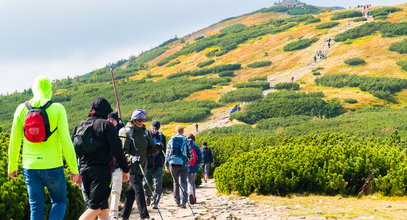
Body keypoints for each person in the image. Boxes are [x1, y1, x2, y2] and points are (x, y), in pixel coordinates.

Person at [7, 76, 80, 220]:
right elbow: (66, 140)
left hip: (30, 166)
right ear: (50, 90)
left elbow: (14, 140)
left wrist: (12, 166)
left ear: (34, 89)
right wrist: (74, 169)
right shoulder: (58, 108)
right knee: (59, 202)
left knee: (36, 207)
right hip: (53, 165)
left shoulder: (21, 109)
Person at [74, 98, 130, 220]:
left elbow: (74, 150)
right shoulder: (106, 125)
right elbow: (117, 150)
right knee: (95, 207)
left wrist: (76, 171)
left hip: (84, 171)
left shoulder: (80, 125)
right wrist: (125, 169)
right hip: (101, 171)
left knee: (103, 208)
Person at [121, 109, 161, 220]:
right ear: (133, 119)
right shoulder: (126, 132)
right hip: (131, 167)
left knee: (131, 193)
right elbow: (123, 151)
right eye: (139, 119)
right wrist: (131, 158)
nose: (141, 121)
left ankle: (124, 216)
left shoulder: (145, 132)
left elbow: (150, 150)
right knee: (139, 190)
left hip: (142, 166)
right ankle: (144, 216)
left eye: (143, 119)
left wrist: (157, 148)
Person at [165, 125, 194, 208]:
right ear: (183, 131)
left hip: (173, 164)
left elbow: (168, 153)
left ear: (176, 131)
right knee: (183, 183)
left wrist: (166, 164)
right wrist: (188, 160)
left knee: (175, 183)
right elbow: (190, 154)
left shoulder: (171, 140)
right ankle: (183, 201)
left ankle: (177, 201)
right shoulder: (186, 140)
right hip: (183, 163)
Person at [144, 120, 166, 210]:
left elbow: (164, 149)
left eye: (156, 129)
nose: (154, 130)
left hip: (158, 164)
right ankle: (148, 196)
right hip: (148, 164)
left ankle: (155, 203)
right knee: (146, 184)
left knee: (158, 184)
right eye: (153, 128)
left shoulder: (162, 137)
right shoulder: (145, 136)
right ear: (150, 126)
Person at [107, 111, 125, 219]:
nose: (110, 122)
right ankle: (108, 211)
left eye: (112, 120)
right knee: (108, 191)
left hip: (117, 166)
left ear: (117, 121)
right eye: (108, 120)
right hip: (107, 166)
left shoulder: (121, 132)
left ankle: (113, 214)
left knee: (116, 189)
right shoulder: (104, 130)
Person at [186, 134, 202, 204]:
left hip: (186, 166)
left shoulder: (185, 146)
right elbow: (200, 157)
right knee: (192, 182)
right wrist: (197, 163)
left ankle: (189, 194)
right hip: (194, 166)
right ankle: (193, 196)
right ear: (194, 140)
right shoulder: (196, 147)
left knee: (188, 181)